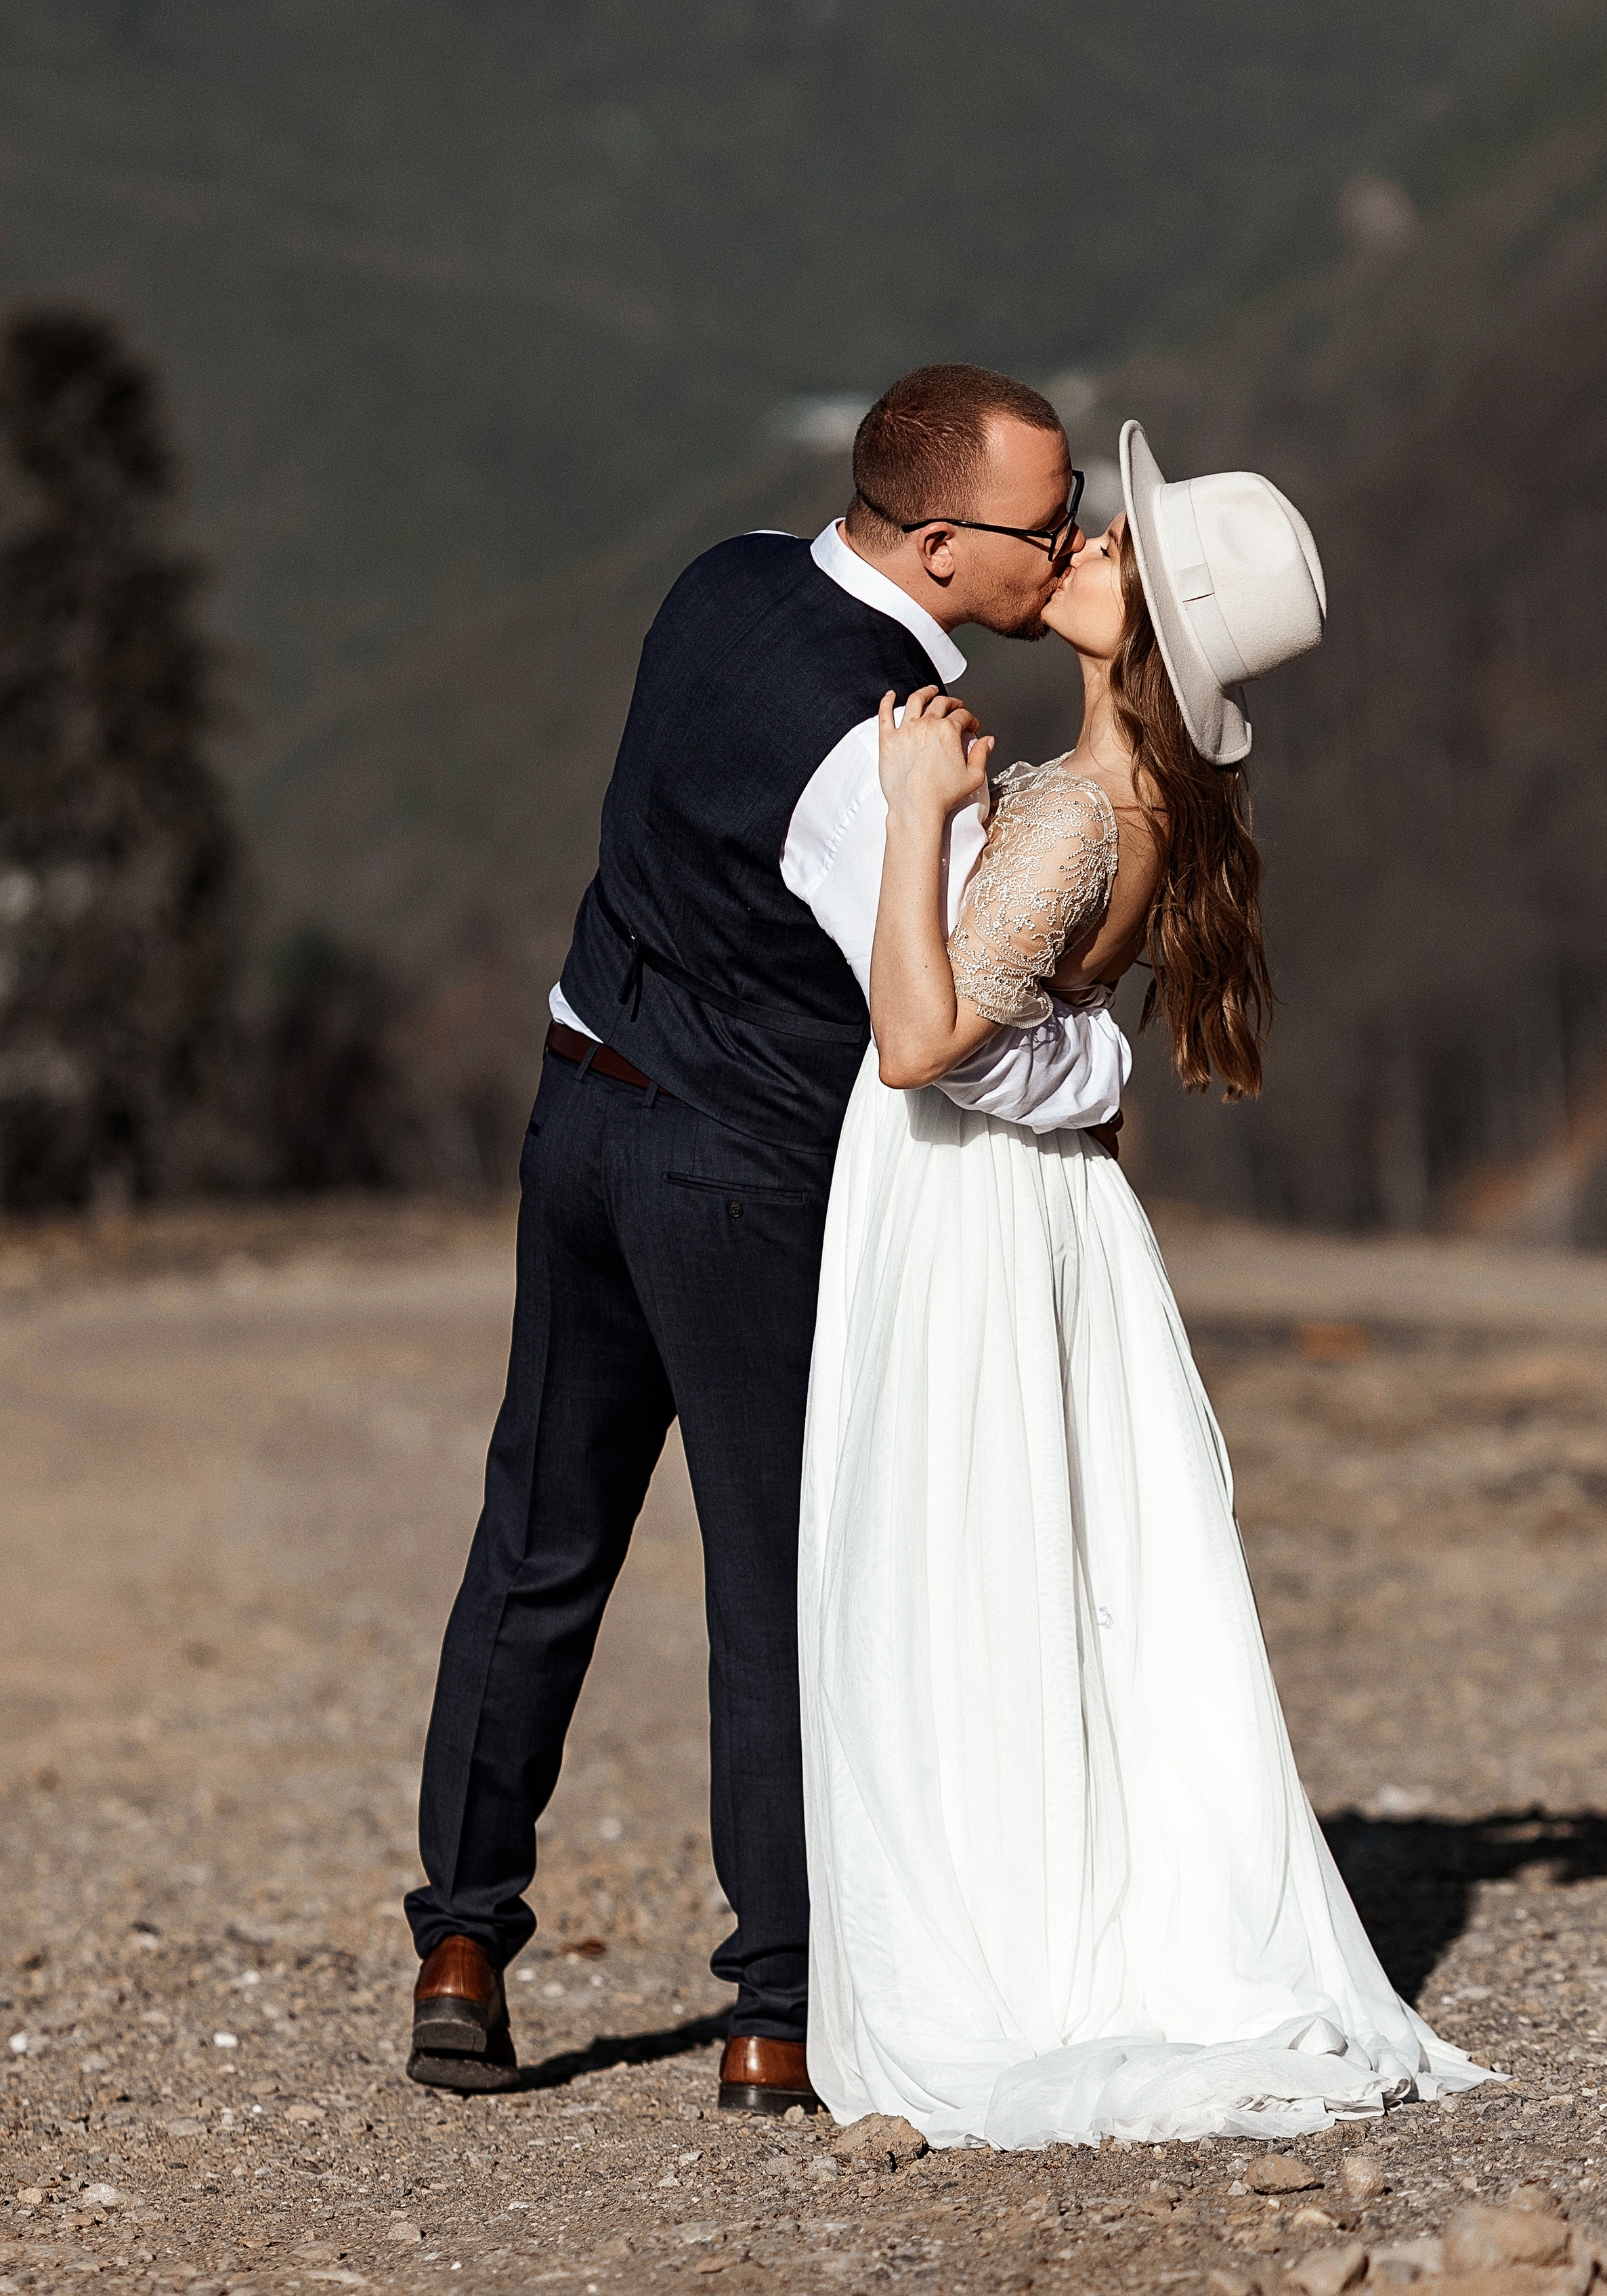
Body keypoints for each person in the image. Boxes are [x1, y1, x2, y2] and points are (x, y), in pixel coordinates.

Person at [404, 367, 1130, 2102]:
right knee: (778, 1582)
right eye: (1048, 524)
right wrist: (1099, 1064)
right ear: (940, 545)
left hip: (578, 1108)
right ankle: (772, 2009)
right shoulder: (875, 754)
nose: (1074, 540)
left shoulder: (720, 579)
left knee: (539, 1540)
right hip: (731, 1176)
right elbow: (936, 1013)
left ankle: (458, 1940)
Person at [799, 421, 1495, 2146]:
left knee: (950, 1571)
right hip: (1036, 1212)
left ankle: (992, 1934)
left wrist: (912, 817)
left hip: (957, 1213)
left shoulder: (1070, 815)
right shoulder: (1156, 809)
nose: (1085, 543)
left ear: (1147, 629)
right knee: (1041, 1574)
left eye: (1111, 545)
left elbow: (916, 1038)